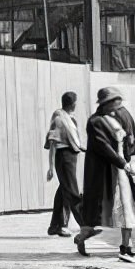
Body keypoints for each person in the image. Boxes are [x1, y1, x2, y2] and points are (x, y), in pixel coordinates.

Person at [75, 86, 135, 263]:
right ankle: (82, 237)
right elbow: (103, 147)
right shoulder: (95, 122)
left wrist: (128, 155)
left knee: (126, 207)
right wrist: (123, 163)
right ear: (106, 103)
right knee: (100, 212)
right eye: (116, 101)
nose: (119, 104)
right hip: (107, 171)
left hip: (122, 169)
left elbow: (125, 140)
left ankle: (126, 247)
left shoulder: (116, 118)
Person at [44, 91, 86, 237]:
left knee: (63, 191)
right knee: (73, 192)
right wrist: (50, 167)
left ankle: (56, 226)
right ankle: (85, 224)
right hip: (64, 157)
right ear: (73, 103)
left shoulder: (69, 119)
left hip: (70, 157)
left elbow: (74, 141)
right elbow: (53, 143)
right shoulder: (59, 118)